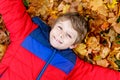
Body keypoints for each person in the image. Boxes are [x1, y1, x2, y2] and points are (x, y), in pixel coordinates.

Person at [0, 0, 120, 80]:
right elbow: (11, 8)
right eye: (60, 28)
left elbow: (97, 76)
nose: (61, 35)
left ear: (74, 45)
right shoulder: (28, 32)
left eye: (68, 35)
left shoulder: (71, 64)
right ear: (53, 25)